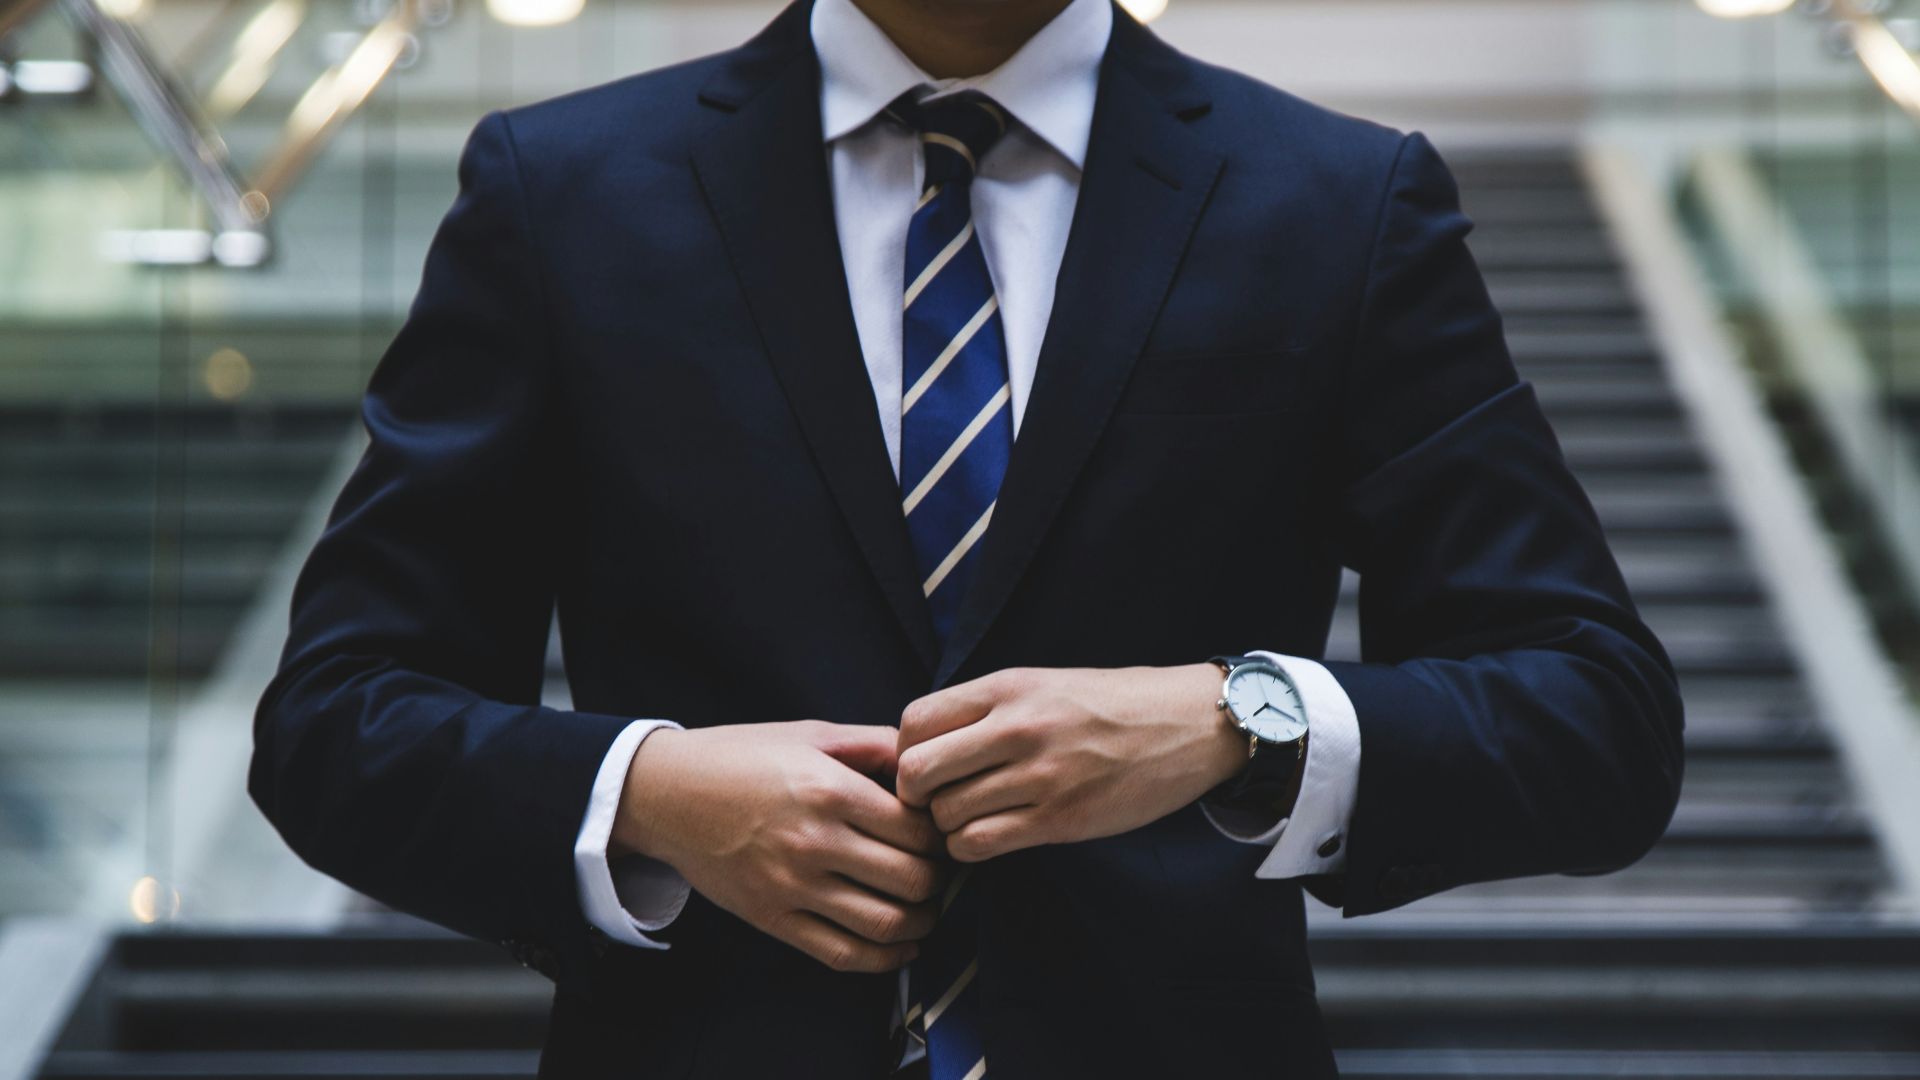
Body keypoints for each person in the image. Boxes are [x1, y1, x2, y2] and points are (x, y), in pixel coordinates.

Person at [248, 0, 1685, 1076]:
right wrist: (650, 791)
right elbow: (333, 720)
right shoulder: (560, 194)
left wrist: (1241, 717)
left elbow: (1595, 716)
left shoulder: (1340, 203)